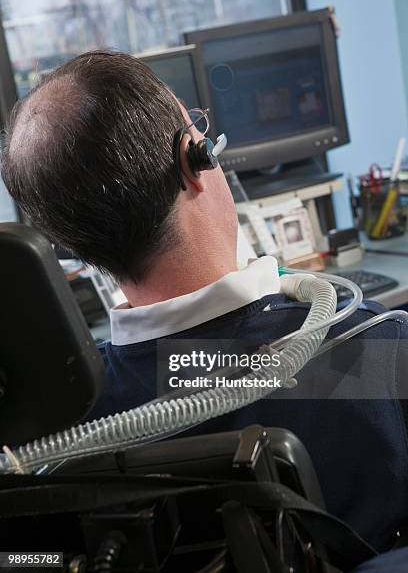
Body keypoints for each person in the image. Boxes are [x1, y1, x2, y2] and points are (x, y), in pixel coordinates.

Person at [2, 50, 408, 550]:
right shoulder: (376, 350)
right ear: (195, 163)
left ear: (65, 240)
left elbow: (32, 559)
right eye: (196, 127)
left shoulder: (56, 427)